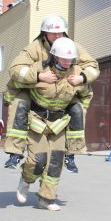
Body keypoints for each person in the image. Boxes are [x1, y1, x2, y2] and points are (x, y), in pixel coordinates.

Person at [3, 15, 99, 172]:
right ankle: (15, 152)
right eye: (53, 33)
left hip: (63, 91)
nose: (57, 36)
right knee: (19, 105)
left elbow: (93, 66)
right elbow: (15, 70)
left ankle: (71, 154)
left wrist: (81, 78)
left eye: (61, 32)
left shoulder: (72, 46)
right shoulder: (35, 47)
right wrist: (39, 76)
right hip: (35, 91)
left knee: (78, 110)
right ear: (44, 33)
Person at [15, 37, 93, 211]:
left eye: (70, 59)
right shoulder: (39, 67)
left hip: (59, 123)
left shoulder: (77, 72)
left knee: (56, 160)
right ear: (54, 57)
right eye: (63, 58)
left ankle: (46, 199)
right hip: (37, 121)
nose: (67, 62)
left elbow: (86, 95)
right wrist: (39, 78)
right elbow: (17, 83)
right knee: (38, 159)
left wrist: (80, 83)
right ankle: (26, 181)